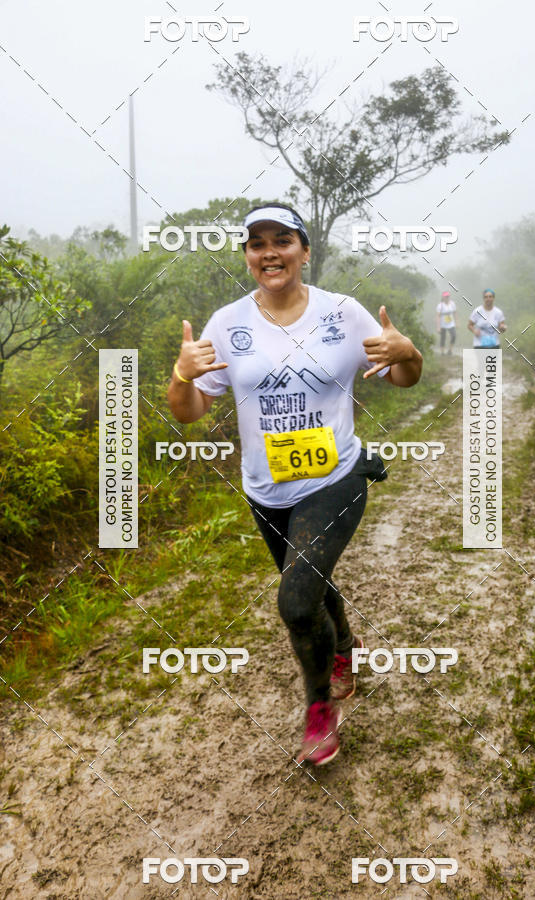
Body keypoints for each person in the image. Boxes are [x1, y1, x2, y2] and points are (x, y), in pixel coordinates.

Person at [167, 203, 423, 765]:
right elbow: (188, 411)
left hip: (335, 477)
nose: (269, 253)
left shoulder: (343, 313)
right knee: (306, 576)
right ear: (247, 256)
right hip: (265, 487)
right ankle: (346, 646)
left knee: (296, 599)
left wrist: (409, 353)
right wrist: (183, 373)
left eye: (282, 240)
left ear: (304, 250)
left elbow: (403, 377)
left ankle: (319, 710)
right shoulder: (227, 324)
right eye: (257, 243)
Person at [435, 290, 457, 355]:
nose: (447, 298)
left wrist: (457, 322)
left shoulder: (452, 304)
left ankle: (450, 350)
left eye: (448, 296)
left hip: (451, 323)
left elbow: (455, 313)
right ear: (443, 297)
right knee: (443, 338)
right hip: (443, 324)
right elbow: (438, 316)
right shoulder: (440, 305)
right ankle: (442, 352)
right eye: (445, 296)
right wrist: (438, 327)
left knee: (454, 336)